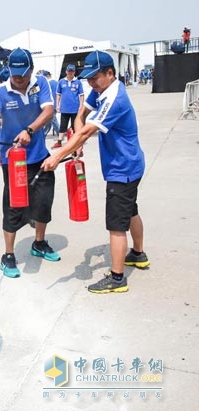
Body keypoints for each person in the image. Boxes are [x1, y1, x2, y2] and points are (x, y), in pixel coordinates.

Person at [41, 50, 150, 294]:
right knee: (130, 210)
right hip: (128, 165)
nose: (91, 83)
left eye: (95, 78)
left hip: (123, 168)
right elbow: (81, 116)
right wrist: (77, 143)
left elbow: (85, 131)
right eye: (88, 79)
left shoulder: (115, 98)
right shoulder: (101, 90)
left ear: (110, 73)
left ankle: (117, 278)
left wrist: (58, 155)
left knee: (115, 225)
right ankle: (138, 254)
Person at [0, 48, 59, 278]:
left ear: (31, 69)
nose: (18, 78)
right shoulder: (1, 91)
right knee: (13, 206)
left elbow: (49, 111)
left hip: (39, 155)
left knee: (43, 202)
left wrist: (29, 130)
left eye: (22, 73)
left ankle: (39, 243)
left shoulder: (41, 83)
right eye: (14, 73)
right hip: (13, 159)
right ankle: (8, 255)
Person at [52, 64, 84, 149]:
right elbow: (58, 94)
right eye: (69, 71)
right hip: (64, 108)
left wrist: (81, 105)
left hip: (75, 108)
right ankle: (59, 142)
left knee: (75, 126)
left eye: (72, 71)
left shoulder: (78, 82)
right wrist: (57, 105)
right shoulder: (61, 82)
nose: (70, 73)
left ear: (74, 72)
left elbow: (81, 95)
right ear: (66, 71)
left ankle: (75, 142)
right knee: (63, 126)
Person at [42, 70, 60, 137]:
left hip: (50, 104)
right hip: (55, 104)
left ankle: (59, 133)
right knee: (48, 121)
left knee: (53, 120)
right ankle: (44, 134)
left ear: (47, 76)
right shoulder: (56, 83)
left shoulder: (47, 84)